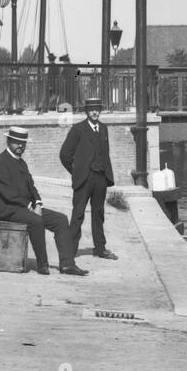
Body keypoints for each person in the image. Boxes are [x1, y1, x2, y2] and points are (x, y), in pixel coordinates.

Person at [0, 126, 87, 276]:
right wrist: (30, 206)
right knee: (36, 221)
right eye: (16, 142)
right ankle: (42, 264)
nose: (20, 146)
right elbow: (7, 193)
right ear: (8, 141)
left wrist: (38, 203)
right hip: (4, 209)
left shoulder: (21, 163)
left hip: (23, 208)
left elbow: (32, 187)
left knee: (61, 220)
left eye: (23, 143)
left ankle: (68, 264)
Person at [59, 96, 117, 260]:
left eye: (97, 109)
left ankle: (100, 248)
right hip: (84, 178)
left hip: (100, 178)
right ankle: (70, 250)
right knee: (78, 214)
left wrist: (106, 174)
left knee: (99, 213)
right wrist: (77, 171)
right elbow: (64, 155)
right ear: (86, 112)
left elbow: (105, 154)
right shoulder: (78, 129)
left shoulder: (104, 128)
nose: (94, 112)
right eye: (91, 109)